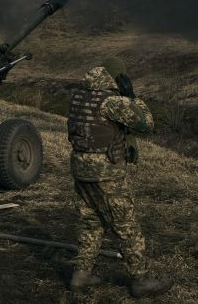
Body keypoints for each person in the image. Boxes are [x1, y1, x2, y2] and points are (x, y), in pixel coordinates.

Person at [66, 57, 173, 298]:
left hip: (81, 168)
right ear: (117, 77)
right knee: (126, 224)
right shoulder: (112, 101)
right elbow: (146, 123)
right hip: (106, 172)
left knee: (90, 222)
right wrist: (132, 96)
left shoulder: (79, 95)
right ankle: (141, 280)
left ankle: (81, 274)